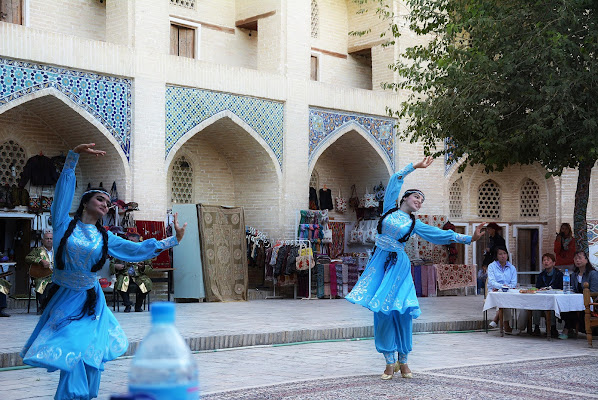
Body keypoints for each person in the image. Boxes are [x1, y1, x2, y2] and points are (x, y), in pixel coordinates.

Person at [19, 143, 187, 400]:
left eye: (108, 203)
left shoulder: (105, 237)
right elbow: (63, 194)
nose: (105, 204)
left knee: (89, 354)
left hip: (91, 299)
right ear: (85, 202)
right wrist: (73, 157)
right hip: (65, 297)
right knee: (72, 348)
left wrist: (172, 240)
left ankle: (83, 396)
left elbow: (136, 250)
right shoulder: (64, 224)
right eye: (100, 199)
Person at [345, 156, 485, 380]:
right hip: (380, 263)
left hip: (399, 266)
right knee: (383, 311)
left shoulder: (414, 224)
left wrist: (470, 238)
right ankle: (389, 362)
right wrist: (414, 167)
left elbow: (441, 235)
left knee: (401, 310)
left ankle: (404, 359)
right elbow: (394, 180)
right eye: (416, 197)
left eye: (422, 200)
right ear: (406, 198)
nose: (419, 201)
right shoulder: (389, 209)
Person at [559, 250, 598, 340]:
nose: (577, 260)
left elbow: (594, 292)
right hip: (577, 301)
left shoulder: (593, 274)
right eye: (575, 258)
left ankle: (567, 329)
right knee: (566, 305)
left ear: (586, 260)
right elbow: (573, 289)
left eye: (580, 258)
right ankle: (569, 328)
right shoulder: (574, 275)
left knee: (574, 308)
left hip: (590, 302)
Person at [110, 232, 153, 313]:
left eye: (132, 241)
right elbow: (111, 264)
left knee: (147, 285)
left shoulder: (143, 252)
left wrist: (143, 267)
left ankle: (138, 306)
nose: (130, 242)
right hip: (124, 275)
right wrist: (116, 266)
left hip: (139, 276)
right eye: (128, 240)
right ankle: (127, 305)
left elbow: (150, 268)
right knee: (120, 284)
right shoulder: (121, 251)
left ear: (137, 242)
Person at [487, 247, 518, 333]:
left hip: (508, 291)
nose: (503, 256)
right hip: (494, 291)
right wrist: (501, 286)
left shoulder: (512, 268)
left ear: (507, 255)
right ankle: (506, 325)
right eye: (500, 254)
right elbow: (491, 281)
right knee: (503, 297)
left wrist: (504, 287)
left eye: (504, 253)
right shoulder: (491, 266)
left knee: (505, 297)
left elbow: (514, 283)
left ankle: (496, 320)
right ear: (496, 256)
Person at [531, 253, 563, 337]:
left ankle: (552, 328)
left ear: (553, 263)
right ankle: (536, 327)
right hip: (542, 298)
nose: (546, 262)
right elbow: (537, 287)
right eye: (544, 260)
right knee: (536, 305)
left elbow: (561, 287)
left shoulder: (559, 274)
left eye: (548, 260)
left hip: (554, 298)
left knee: (550, 306)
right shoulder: (541, 275)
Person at [25, 229, 54, 314]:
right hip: (42, 276)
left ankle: (55, 307)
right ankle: (43, 307)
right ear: (43, 240)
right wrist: (40, 260)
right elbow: (28, 258)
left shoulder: (57, 251)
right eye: (47, 238)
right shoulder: (38, 250)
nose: (49, 240)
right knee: (43, 283)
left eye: (51, 239)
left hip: (55, 276)